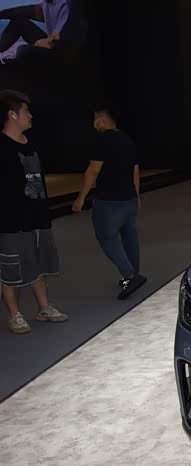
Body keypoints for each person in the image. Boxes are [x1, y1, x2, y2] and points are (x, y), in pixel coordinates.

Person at [0, 89, 68, 333]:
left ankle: (44, 308)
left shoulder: (32, 144)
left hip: (37, 218)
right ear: (12, 115)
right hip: (10, 223)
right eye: (26, 111)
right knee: (11, 269)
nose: (30, 115)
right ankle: (15, 315)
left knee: (38, 265)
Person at [72, 104, 146, 300]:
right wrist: (136, 196)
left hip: (109, 200)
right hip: (128, 198)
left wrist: (81, 197)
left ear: (101, 119)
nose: (94, 122)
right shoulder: (127, 139)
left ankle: (130, 275)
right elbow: (135, 170)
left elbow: (93, 170)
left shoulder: (103, 140)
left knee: (106, 236)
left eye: (95, 118)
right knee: (129, 236)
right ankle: (133, 273)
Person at [0, 0, 78, 59]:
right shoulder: (49, 3)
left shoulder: (66, 5)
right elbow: (24, 11)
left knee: (22, 51)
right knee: (19, 21)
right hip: (50, 42)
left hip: (61, 50)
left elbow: (59, 37)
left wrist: (41, 43)